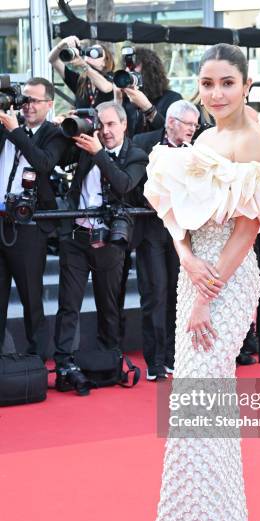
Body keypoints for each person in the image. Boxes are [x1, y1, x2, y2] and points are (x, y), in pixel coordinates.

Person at [143, 43, 260, 521]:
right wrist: (187, 260)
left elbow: (245, 228)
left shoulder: (252, 140)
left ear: (245, 85)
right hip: (195, 272)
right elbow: (177, 211)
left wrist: (203, 294)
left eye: (227, 83)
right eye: (208, 83)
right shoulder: (206, 138)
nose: (216, 93)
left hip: (226, 282)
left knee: (201, 397)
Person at [53, 102, 148, 393]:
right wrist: (66, 129)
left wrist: (98, 153)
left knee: (109, 306)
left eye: (111, 125)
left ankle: (109, 361)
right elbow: (54, 160)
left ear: (124, 126)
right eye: (101, 125)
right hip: (77, 237)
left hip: (110, 242)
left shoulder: (136, 155)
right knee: (68, 305)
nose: (105, 131)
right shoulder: (85, 146)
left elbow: (123, 184)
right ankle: (64, 364)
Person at [131, 100, 200, 380]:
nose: (193, 130)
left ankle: (174, 356)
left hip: (182, 232)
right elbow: (134, 186)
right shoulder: (142, 142)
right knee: (155, 294)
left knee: (178, 294)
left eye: (195, 125)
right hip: (151, 229)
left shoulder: (197, 153)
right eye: (189, 124)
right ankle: (155, 361)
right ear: (171, 122)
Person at [0, 77, 69, 360]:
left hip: (29, 226)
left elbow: (43, 163)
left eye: (34, 100)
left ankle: (36, 362)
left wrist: (16, 131)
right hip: (0, 219)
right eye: (24, 99)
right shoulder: (5, 126)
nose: (27, 105)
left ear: (49, 105)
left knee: (31, 297)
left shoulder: (54, 133)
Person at [118, 47, 182, 138]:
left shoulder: (172, 99)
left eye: (133, 70)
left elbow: (173, 134)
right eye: (126, 70)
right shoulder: (125, 101)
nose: (128, 75)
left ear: (150, 74)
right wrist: (117, 100)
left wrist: (147, 107)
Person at [48, 36, 114, 109]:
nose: (91, 53)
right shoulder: (80, 80)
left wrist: (84, 65)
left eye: (97, 52)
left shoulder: (112, 78)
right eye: (90, 50)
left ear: (104, 62)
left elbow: (106, 88)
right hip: (81, 120)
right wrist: (62, 43)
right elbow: (53, 60)